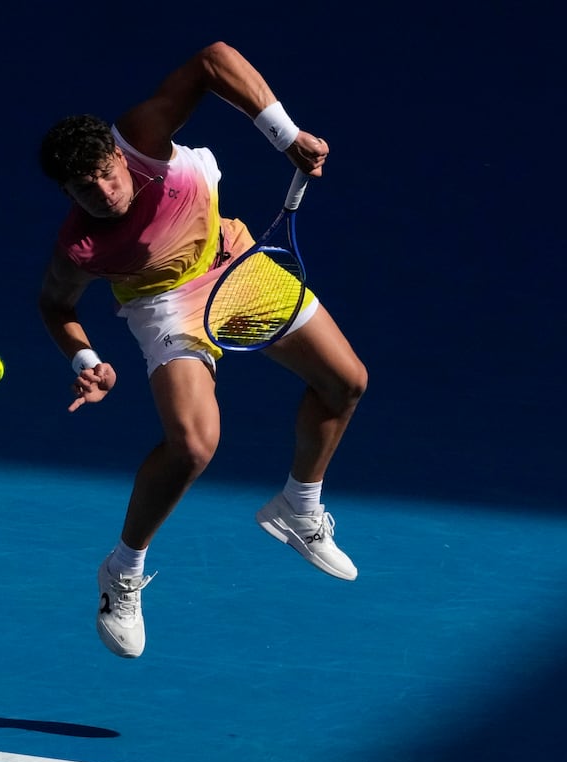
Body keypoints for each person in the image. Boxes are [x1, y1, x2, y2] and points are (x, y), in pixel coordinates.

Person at [36, 42, 368, 659]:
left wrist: (286, 135)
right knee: (192, 445)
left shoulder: (141, 137)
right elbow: (56, 306)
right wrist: (86, 362)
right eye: (85, 188)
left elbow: (214, 60)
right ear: (66, 191)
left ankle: (299, 508)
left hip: (232, 256)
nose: (105, 192)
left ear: (117, 151)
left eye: (107, 173)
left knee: (345, 382)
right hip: (164, 303)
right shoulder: (80, 247)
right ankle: (123, 571)